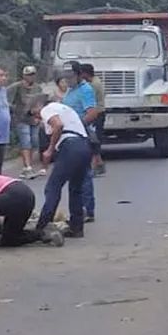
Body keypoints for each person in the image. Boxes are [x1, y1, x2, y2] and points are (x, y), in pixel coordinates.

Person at [31, 94, 91, 238]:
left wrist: (50, 149)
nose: (38, 119)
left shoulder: (47, 109)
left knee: (53, 187)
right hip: (84, 146)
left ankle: (43, 226)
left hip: (70, 146)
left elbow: (58, 125)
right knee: (75, 188)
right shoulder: (65, 109)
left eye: (35, 114)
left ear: (38, 107)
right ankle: (77, 227)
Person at [59, 61, 100, 222]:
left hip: (81, 135)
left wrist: (77, 125)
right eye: (66, 77)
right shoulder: (70, 90)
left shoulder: (85, 90)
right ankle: (79, 209)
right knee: (75, 175)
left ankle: (88, 210)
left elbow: (92, 113)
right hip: (69, 137)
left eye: (71, 76)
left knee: (84, 175)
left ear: (78, 75)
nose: (68, 80)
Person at [7, 66, 44, 179]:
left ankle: (27, 166)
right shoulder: (16, 87)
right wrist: (15, 109)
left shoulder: (38, 88)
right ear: (24, 75)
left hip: (33, 118)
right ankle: (28, 167)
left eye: (32, 74)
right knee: (25, 141)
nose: (30, 76)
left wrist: (39, 113)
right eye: (28, 74)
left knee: (34, 141)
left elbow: (41, 101)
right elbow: (6, 100)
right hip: (21, 118)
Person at [81, 63, 107, 176]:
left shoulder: (93, 85)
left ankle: (94, 166)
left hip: (97, 113)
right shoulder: (96, 81)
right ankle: (100, 164)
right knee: (94, 139)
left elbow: (88, 99)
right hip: (99, 112)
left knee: (94, 140)